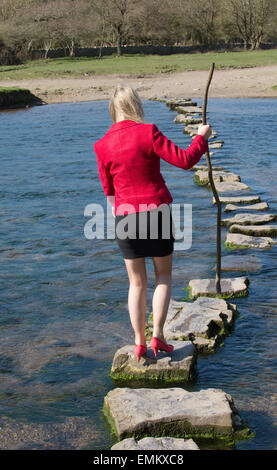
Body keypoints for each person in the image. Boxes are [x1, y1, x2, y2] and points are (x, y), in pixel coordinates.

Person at [94, 86, 211, 362]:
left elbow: (108, 191)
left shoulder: (101, 145)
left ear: (113, 110)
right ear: (135, 105)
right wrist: (200, 138)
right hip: (156, 212)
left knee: (136, 284)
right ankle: (158, 335)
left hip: (124, 216)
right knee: (164, 278)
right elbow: (185, 160)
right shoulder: (148, 132)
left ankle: (138, 343)